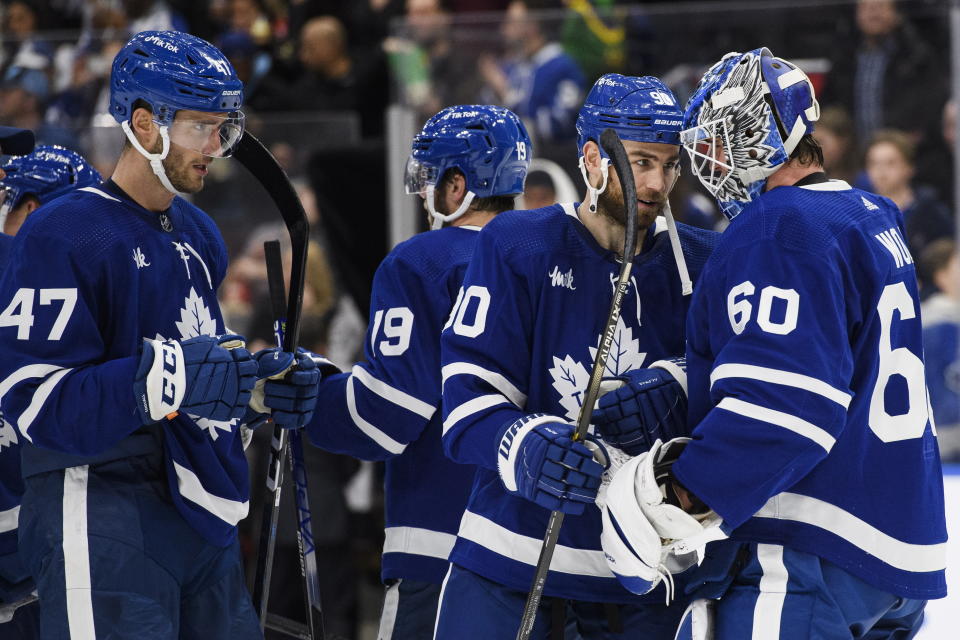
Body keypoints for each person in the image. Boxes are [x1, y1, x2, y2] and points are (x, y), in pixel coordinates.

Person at [600, 47, 947, 638]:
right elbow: (838, 363)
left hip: (808, 547)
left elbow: (785, 408)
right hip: (899, 552)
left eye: (715, 143)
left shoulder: (780, 225)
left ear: (757, 136)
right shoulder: (871, 214)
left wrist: (682, 495)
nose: (708, 166)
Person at [0, 30, 319, 638]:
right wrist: (167, 376)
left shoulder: (199, 235)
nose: (217, 147)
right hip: (97, 502)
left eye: (224, 127)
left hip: (196, 507)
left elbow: (201, 367)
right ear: (144, 125)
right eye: (202, 126)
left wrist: (253, 392)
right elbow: (31, 398)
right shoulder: (65, 230)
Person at [436, 74, 719, 638]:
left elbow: (749, 394)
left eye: (669, 164)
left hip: (648, 577)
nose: (658, 182)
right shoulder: (517, 243)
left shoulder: (704, 257)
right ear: (592, 159)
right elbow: (464, 404)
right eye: (640, 162)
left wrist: (684, 383)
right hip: (508, 566)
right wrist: (518, 443)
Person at [285, 104, 530, 640]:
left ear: (456, 185)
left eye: (430, 181)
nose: (424, 196)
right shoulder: (553, 259)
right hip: (546, 563)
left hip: (442, 550)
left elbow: (385, 417)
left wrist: (309, 394)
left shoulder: (423, 261)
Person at [0, 144, 100, 638]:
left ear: (33, 208)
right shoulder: (106, 291)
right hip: (77, 557)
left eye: (7, 200)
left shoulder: (19, 276)